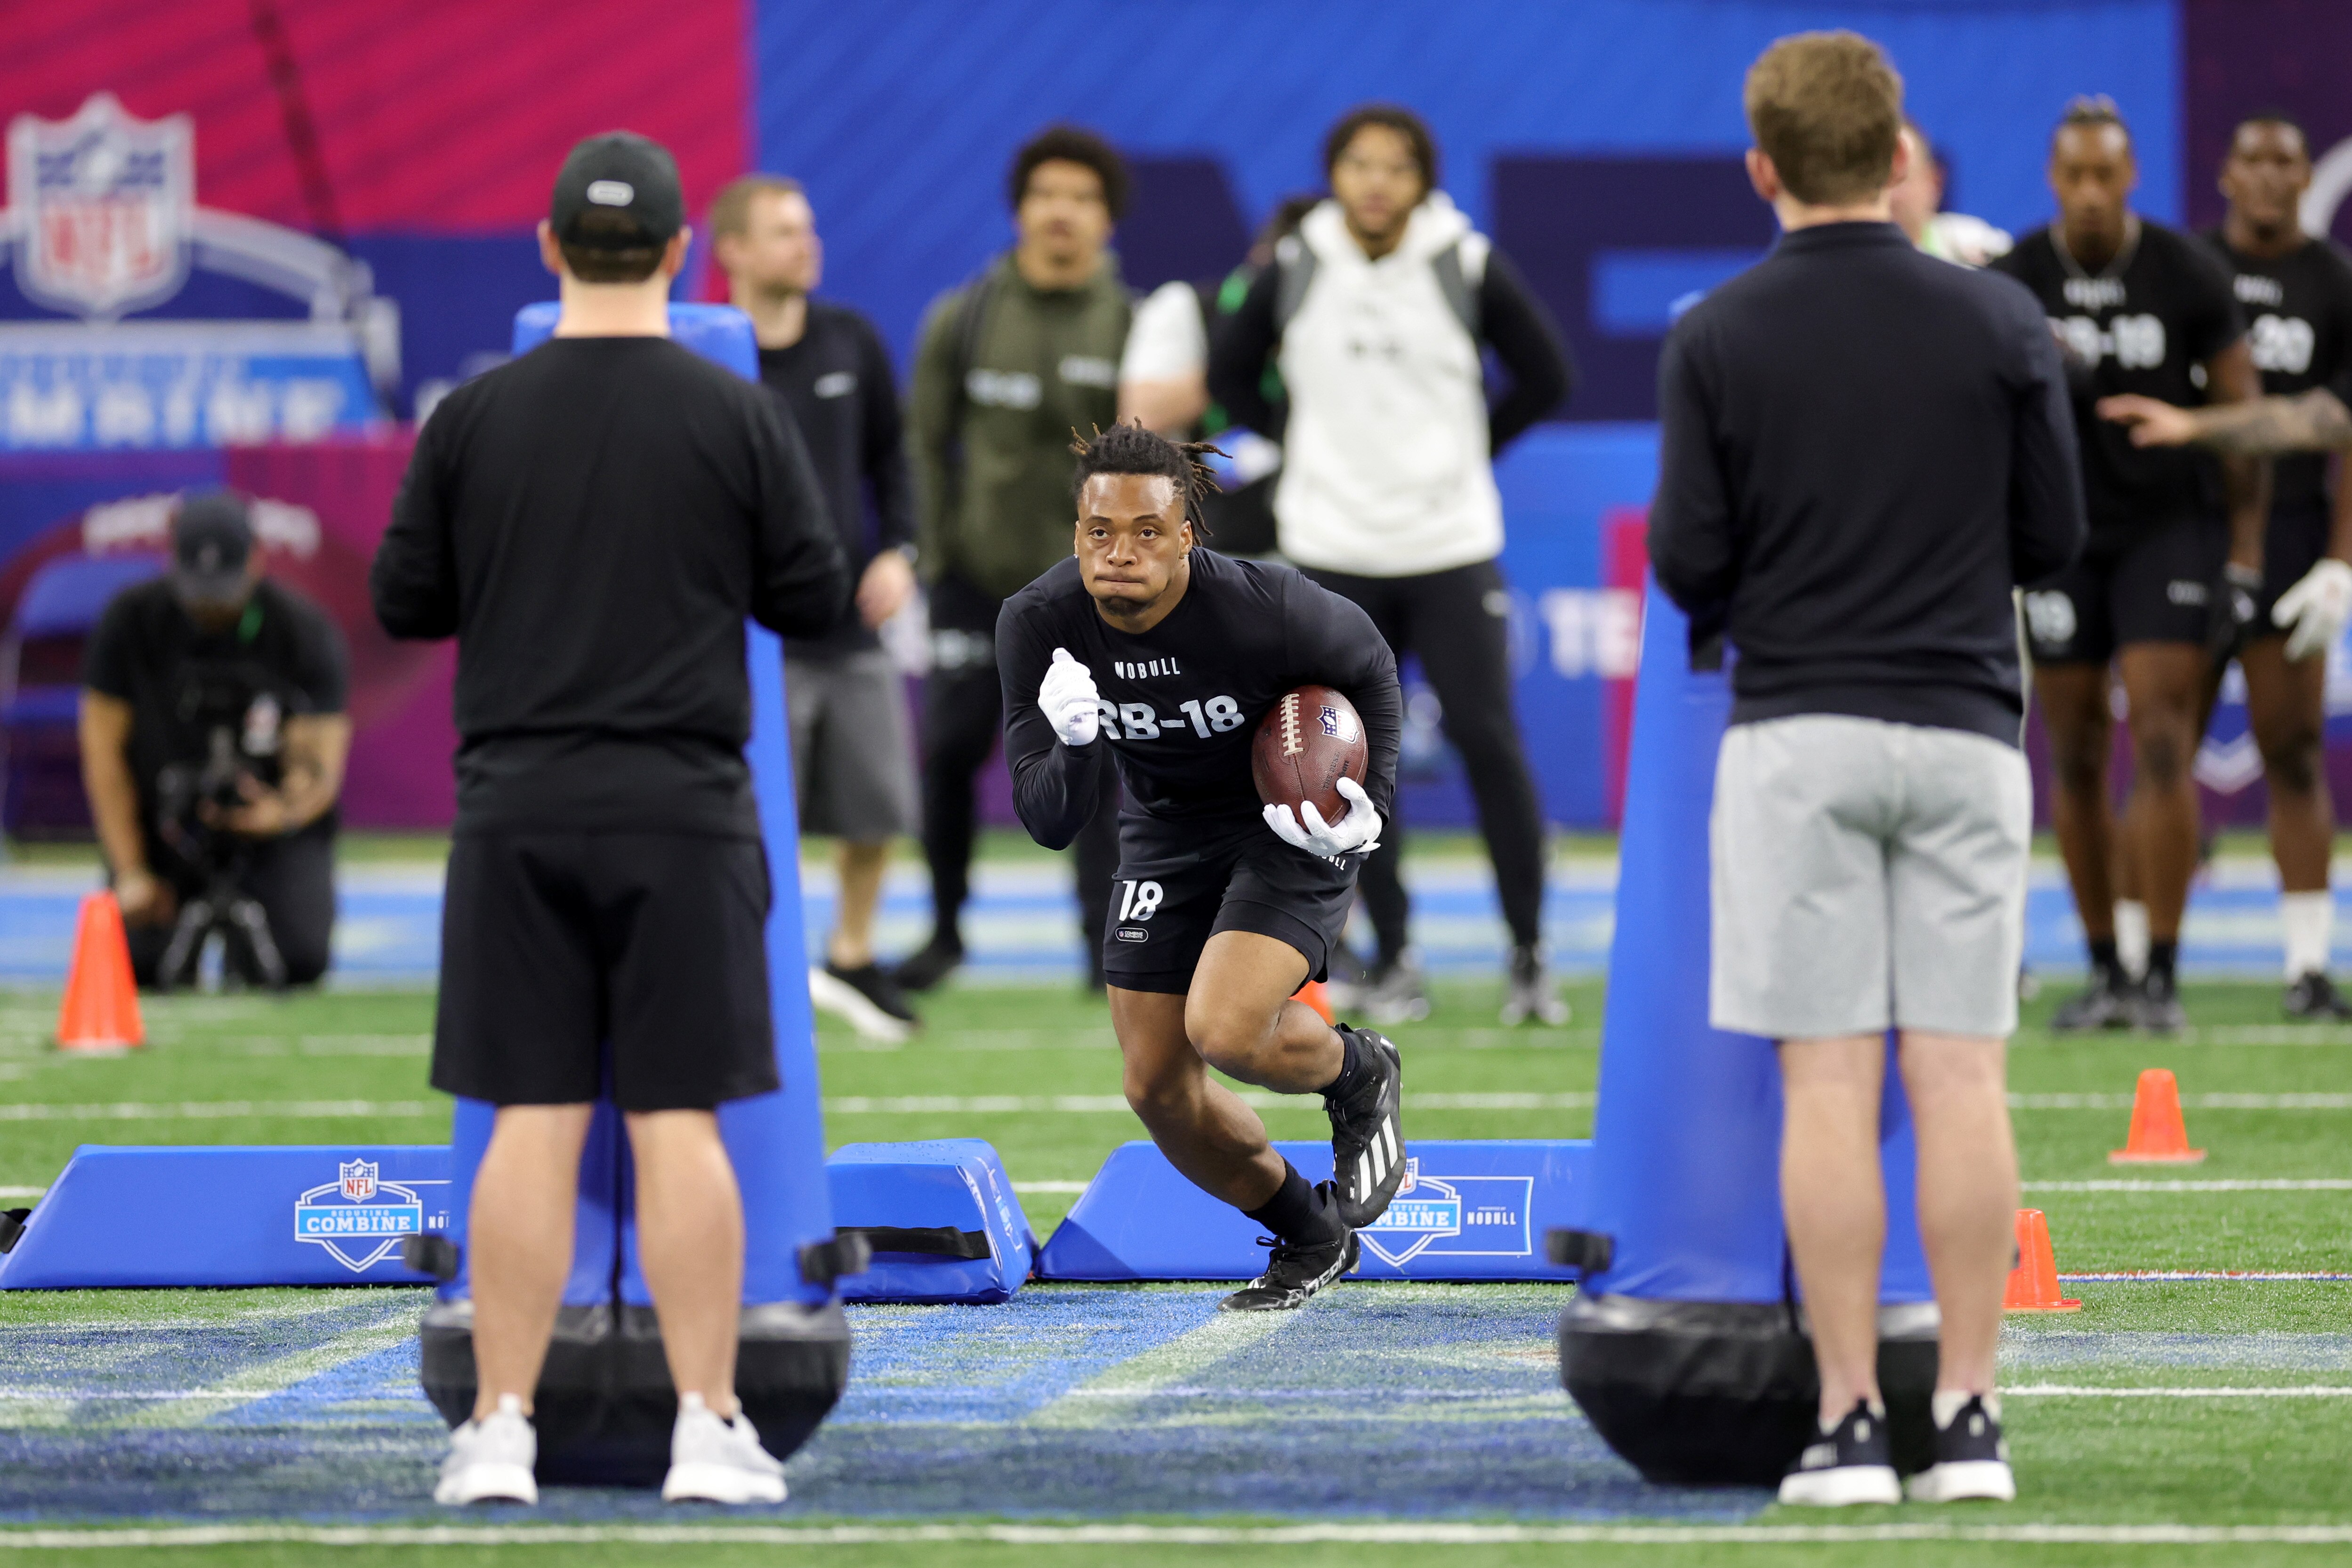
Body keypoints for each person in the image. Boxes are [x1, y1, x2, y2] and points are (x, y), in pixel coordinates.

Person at [372, 131, 847, 1506]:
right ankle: (707, 1425)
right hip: (683, 806)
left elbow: (406, 606)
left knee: (530, 1115)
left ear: (548, 246)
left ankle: (501, 1429)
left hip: (517, 804)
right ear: (687, 252)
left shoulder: (474, 414)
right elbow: (812, 603)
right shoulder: (734, 410)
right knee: (678, 1120)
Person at [1650, 31, 2086, 1504]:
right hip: (1966, 730)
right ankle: (1967, 1417)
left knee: (1827, 1089)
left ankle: (1844, 1423)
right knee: (1961, 1077)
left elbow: (1688, 561)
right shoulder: (2004, 318)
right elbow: (2054, 542)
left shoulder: (1716, 334)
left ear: (1763, 168)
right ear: (1900, 156)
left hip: (1798, 733)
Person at [1000, 420, 1407, 1310]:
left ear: (1187, 535)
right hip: (1163, 828)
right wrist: (1073, 745)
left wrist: (1365, 800)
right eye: (1099, 532)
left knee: (1222, 1029)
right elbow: (1049, 822)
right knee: (1154, 1085)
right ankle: (1310, 1234)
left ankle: (1355, 1070)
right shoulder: (1038, 622)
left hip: (1283, 820)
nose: (1120, 553)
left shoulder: (1267, 607)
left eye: (1148, 531)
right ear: (1075, 534)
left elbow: (1371, 663)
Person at [1209, 103, 1574, 1027]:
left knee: (1489, 743)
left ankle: (1528, 956)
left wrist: (1466, 448)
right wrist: (1305, 443)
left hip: (1448, 545)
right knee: (1348, 765)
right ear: (1333, 175)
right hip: (1332, 549)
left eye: (1396, 167)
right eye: (1358, 165)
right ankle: (1393, 954)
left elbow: (1549, 375)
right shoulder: (1294, 265)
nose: (1375, 182)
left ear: (1422, 182)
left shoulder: (1465, 261)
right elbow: (1227, 374)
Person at [1990, 97, 2270, 1034]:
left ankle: (2161, 973)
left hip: (2167, 531)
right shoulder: (2016, 277)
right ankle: (2106, 968)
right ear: (2050, 179)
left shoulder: (2183, 270)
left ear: (2130, 177)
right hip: (2060, 542)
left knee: (2157, 741)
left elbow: (2249, 415)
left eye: (2103, 174)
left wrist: (2241, 551)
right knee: (2069, 754)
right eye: (2072, 175)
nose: (2088, 192)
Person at [901, 125, 1134, 995]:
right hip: (975, 584)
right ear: (1020, 210)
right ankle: (944, 933)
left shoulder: (1133, 325)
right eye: (1045, 196)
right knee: (950, 752)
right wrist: (934, 555)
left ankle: (1103, 947)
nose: (1061, 212)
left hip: (1093, 592)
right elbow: (921, 445)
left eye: (1081, 198)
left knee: (1100, 765)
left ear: (1106, 219)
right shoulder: (962, 320)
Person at [711, 172, 923, 1036]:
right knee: (757, 819)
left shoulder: (851, 340)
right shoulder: (707, 355)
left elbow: (895, 461)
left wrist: (901, 553)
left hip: (849, 626)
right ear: (732, 252)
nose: (807, 243)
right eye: (783, 231)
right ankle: (756, 967)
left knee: (875, 806)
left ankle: (854, 955)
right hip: (743, 635)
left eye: (808, 227)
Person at [79, 490, 350, 989]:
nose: (210, 605)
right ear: (171, 562)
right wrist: (131, 870)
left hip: (273, 830)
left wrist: (281, 811)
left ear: (256, 561)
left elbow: (321, 763)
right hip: (164, 825)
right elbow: (103, 754)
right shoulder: (130, 620)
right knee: (135, 963)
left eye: (222, 589)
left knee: (300, 958)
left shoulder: (303, 630)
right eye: (198, 589)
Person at [1118, 195, 1321, 559]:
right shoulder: (1187, 307)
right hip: (1211, 544)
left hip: (1323, 538)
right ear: (1263, 260)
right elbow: (1142, 414)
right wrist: (1249, 346)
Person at [1887, 121, 2013, 267]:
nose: (1887, 196)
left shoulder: (1984, 250)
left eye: (1898, 179)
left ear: (1934, 183)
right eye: (1875, 183)